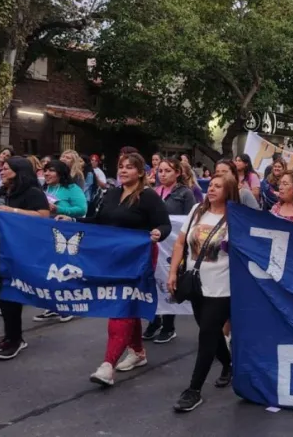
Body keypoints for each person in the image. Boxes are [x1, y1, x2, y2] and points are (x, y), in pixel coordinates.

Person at [71, 153, 171, 387]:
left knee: (121, 305)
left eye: (129, 167)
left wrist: (159, 233)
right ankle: (137, 351)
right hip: (113, 258)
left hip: (139, 258)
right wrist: (73, 222)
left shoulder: (148, 197)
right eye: (121, 167)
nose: (123, 171)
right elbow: (99, 220)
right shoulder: (112, 194)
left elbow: (164, 224)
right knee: (127, 303)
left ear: (140, 172)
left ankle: (107, 365)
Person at [168, 173, 239, 412]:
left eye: (219, 186)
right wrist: (172, 273)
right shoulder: (198, 210)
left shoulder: (236, 218)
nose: (212, 189)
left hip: (222, 288)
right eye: (212, 185)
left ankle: (194, 390)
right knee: (209, 331)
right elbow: (179, 243)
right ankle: (228, 363)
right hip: (196, 284)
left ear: (229, 191)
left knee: (207, 335)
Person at [0, 157, 50, 357]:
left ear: (19, 171)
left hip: (16, 249)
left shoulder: (33, 192)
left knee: (9, 294)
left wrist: (12, 211)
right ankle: (10, 336)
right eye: (1, 169)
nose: (1, 172)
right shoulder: (5, 191)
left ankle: (15, 339)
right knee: (2, 293)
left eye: (6, 169)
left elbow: (43, 216)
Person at [142, 157, 197, 344]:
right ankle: (154, 320)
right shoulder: (152, 192)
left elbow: (190, 221)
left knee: (169, 281)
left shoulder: (185, 194)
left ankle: (168, 324)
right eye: (161, 171)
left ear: (178, 173)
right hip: (154, 245)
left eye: (167, 171)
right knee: (152, 280)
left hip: (173, 246)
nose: (163, 174)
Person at [30, 160, 89, 325]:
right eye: (45, 171)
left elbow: (82, 209)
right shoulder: (45, 189)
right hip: (47, 234)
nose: (46, 174)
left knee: (65, 270)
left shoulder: (72, 189)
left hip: (67, 235)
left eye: (51, 171)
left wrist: (59, 210)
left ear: (61, 173)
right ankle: (53, 305)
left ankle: (68, 305)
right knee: (50, 269)